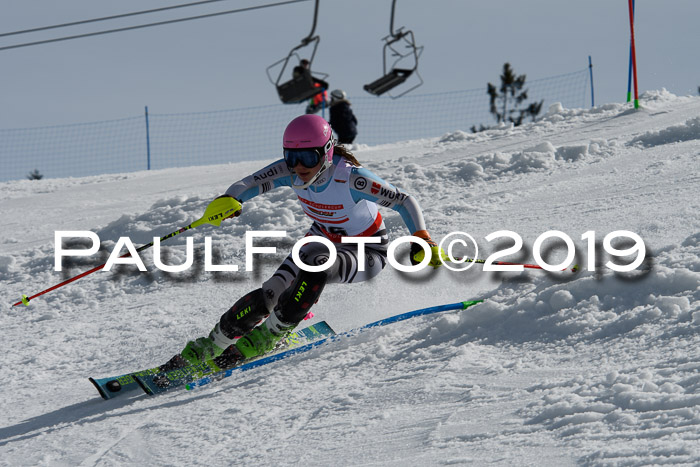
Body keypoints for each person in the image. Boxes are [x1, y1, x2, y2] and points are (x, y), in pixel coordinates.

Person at [159, 114, 447, 371]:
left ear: (326, 152)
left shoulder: (352, 179)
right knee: (271, 293)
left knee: (315, 265)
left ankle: (271, 335)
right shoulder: (289, 171)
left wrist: (421, 237)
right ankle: (210, 345)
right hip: (320, 239)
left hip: (366, 250)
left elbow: (403, 200)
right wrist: (231, 199)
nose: (298, 167)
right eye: (291, 157)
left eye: (308, 158)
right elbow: (248, 184)